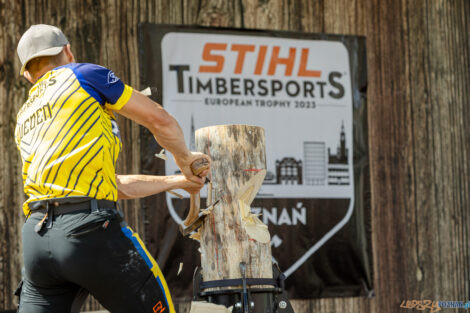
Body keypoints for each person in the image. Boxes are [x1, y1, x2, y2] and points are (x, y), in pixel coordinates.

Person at [14, 24, 210, 313]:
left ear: (29, 75)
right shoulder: (83, 74)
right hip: (89, 231)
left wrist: (177, 181)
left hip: (37, 241)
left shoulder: (25, 114)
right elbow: (161, 121)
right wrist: (186, 160)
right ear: (68, 51)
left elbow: (111, 185)